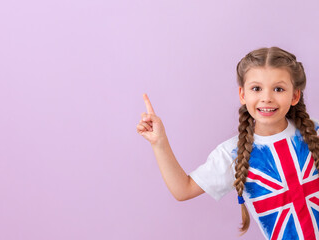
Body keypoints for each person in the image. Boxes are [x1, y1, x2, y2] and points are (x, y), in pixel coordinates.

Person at [136, 47, 319, 240]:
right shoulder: (232, 153)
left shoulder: (314, 132)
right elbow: (183, 189)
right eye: (256, 88)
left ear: (295, 96)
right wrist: (159, 142)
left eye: (278, 89)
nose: (267, 97)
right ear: (242, 95)